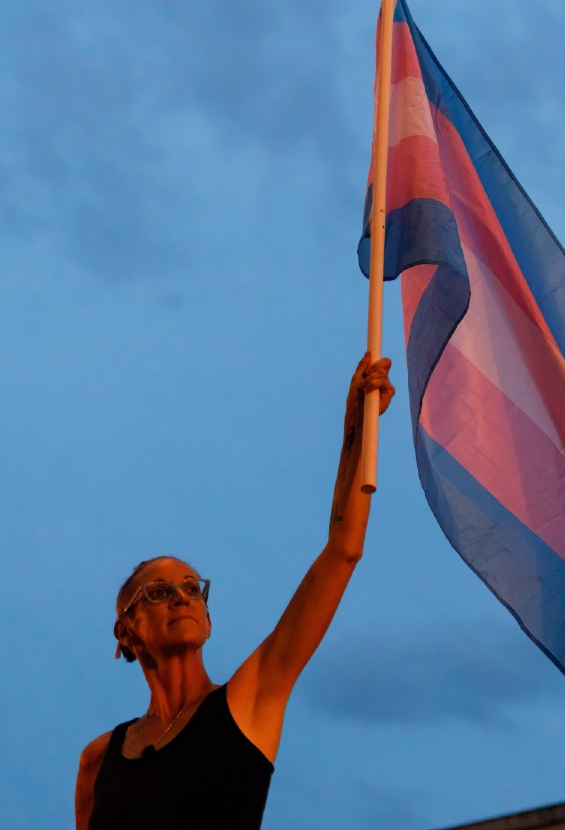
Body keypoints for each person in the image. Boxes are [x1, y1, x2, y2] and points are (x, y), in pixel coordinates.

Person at [75, 354, 394, 829]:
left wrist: (356, 429)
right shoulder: (99, 760)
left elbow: (342, 552)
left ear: (208, 616)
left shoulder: (249, 701)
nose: (182, 597)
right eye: (159, 593)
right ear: (125, 631)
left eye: (192, 588)